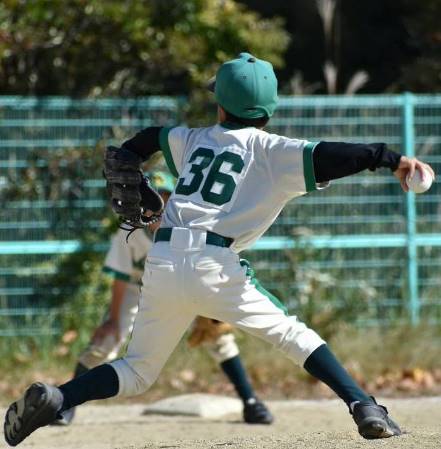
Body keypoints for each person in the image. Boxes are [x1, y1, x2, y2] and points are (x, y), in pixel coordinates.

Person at [4, 52, 435, 446]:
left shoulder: (194, 140)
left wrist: (132, 160)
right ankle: (364, 406)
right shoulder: (273, 151)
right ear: (269, 109)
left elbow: (149, 138)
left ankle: (60, 397)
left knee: (137, 370)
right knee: (291, 334)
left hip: (163, 257)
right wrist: (390, 158)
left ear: (221, 105)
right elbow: (334, 155)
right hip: (215, 262)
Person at [54, 170, 273, 426]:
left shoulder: (189, 227)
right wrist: (113, 320)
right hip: (138, 289)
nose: (157, 205)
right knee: (105, 342)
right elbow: (121, 277)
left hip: (182, 286)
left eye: (164, 198)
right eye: (150, 199)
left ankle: (251, 402)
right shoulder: (129, 231)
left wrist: (210, 306)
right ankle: (64, 405)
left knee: (218, 338)